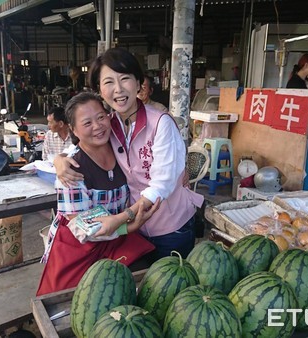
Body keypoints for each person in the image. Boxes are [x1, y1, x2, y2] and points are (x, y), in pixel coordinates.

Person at [55, 47, 204, 263]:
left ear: (139, 83)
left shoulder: (161, 123)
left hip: (171, 227)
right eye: (108, 82)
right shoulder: (110, 124)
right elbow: (82, 144)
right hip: (137, 230)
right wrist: (59, 160)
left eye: (124, 79)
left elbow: (162, 184)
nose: (118, 89)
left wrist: (121, 219)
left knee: (172, 286)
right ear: (100, 89)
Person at [36, 92, 157, 295]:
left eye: (101, 117)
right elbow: (84, 228)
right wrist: (127, 223)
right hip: (82, 247)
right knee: (78, 303)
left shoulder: (120, 148)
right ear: (73, 129)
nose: (97, 126)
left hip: (117, 239)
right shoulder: (72, 169)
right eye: (87, 123)